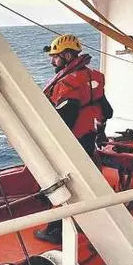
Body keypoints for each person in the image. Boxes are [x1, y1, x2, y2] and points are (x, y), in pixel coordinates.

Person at [36, 34, 114, 243]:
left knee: (67, 185)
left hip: (73, 142)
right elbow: (106, 109)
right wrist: (100, 130)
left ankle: (56, 230)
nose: (52, 61)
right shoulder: (95, 76)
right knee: (84, 179)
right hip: (88, 136)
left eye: (55, 57)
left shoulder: (68, 84)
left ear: (68, 55)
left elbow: (65, 122)